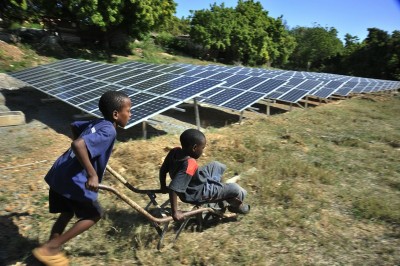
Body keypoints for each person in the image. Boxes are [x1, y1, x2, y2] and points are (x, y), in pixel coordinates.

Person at [32, 91, 131, 266]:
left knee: (67, 212)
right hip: (73, 180)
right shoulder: (109, 131)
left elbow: (75, 126)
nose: (130, 114)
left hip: (59, 173)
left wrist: (88, 153)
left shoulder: (99, 122)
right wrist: (92, 173)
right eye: (128, 110)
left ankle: (49, 252)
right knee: (94, 214)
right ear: (116, 114)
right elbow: (78, 144)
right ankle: (51, 247)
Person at [159, 128, 250, 222]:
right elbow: (174, 188)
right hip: (198, 192)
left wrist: (162, 186)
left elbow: (163, 170)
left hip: (196, 182)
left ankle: (218, 191)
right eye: (202, 148)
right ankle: (235, 207)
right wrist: (175, 212)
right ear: (194, 148)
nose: (202, 151)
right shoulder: (190, 163)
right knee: (236, 189)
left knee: (216, 165)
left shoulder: (174, 151)